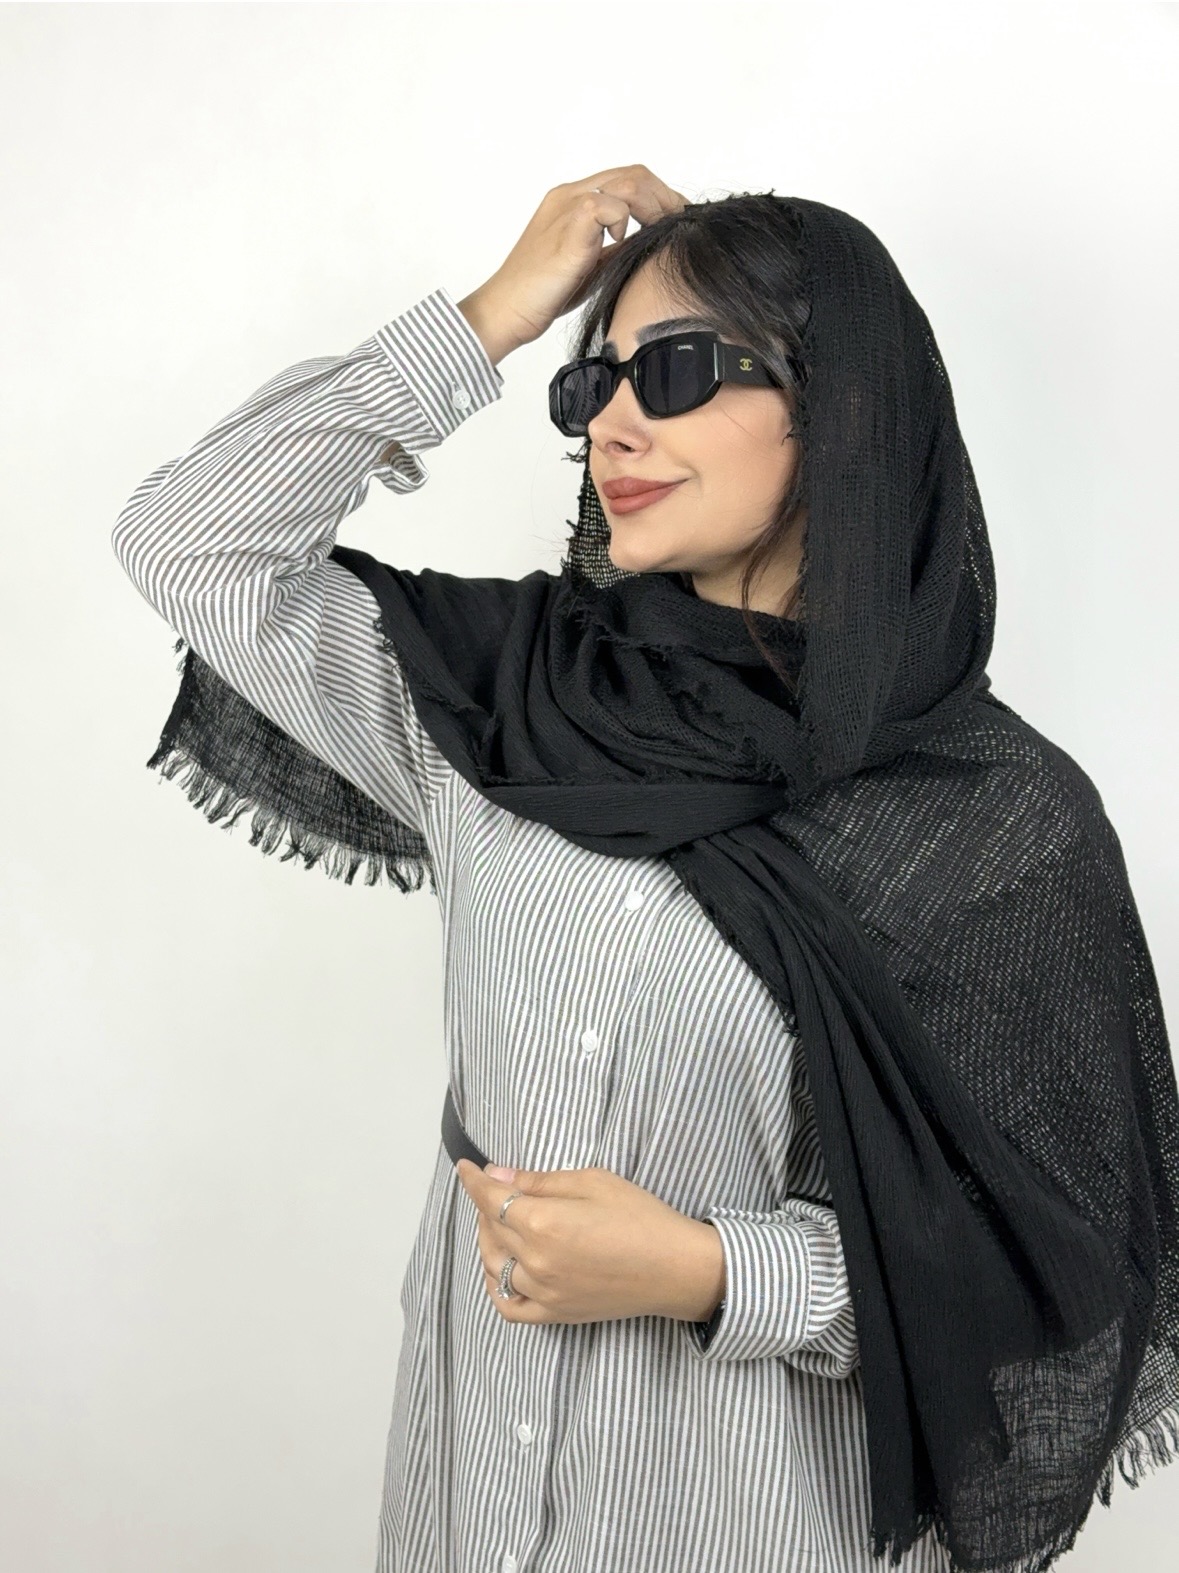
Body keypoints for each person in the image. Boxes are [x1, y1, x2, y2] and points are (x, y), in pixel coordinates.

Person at [112, 168, 1177, 1573]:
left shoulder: (990, 824)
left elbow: (1053, 1276)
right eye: (592, 383)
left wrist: (711, 1271)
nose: (612, 423)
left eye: (673, 371)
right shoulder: (508, 703)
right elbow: (190, 545)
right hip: (463, 1501)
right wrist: (491, 317)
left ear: (841, 408)